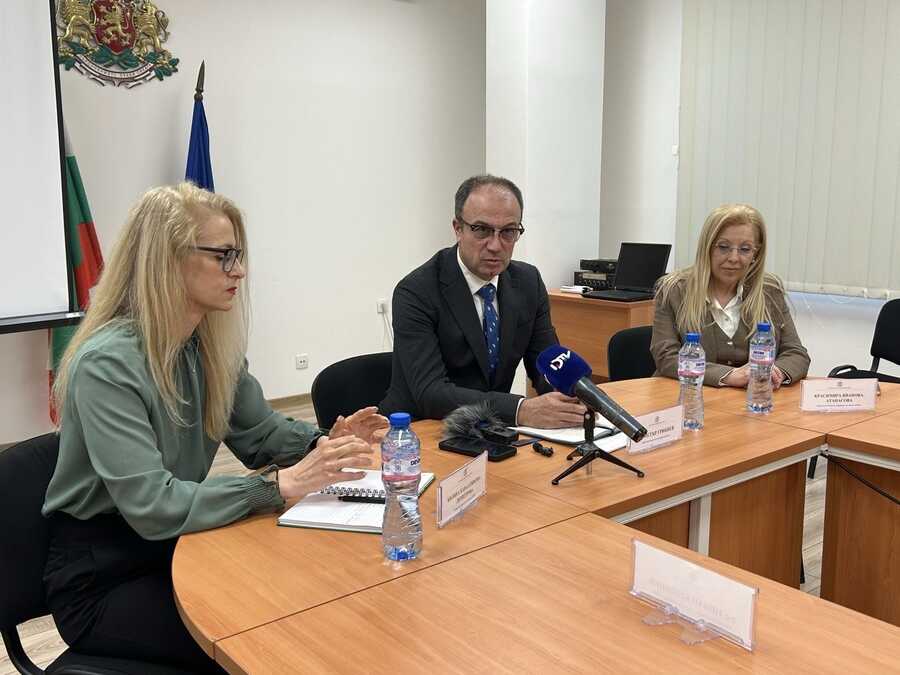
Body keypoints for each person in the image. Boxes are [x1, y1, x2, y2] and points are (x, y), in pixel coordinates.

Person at [42, 183, 387, 673]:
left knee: (307, 598)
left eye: (238, 255)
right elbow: (152, 506)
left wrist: (325, 445)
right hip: (103, 574)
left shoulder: (207, 346)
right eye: (223, 256)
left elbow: (259, 432)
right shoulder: (107, 366)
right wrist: (276, 487)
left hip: (179, 543)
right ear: (167, 261)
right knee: (265, 641)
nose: (238, 271)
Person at [379, 174, 585, 428]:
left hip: (492, 430)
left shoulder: (528, 282)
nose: (496, 245)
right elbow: (431, 393)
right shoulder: (416, 291)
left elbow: (547, 365)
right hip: (419, 431)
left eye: (508, 231)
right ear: (458, 228)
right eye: (482, 230)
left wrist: (574, 394)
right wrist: (520, 410)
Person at [651, 203, 810, 387]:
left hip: (753, 398)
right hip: (687, 395)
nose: (734, 258)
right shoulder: (674, 290)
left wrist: (775, 373)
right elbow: (667, 358)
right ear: (707, 248)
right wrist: (729, 376)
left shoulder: (769, 291)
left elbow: (796, 353)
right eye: (723, 247)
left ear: (756, 253)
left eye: (745, 249)